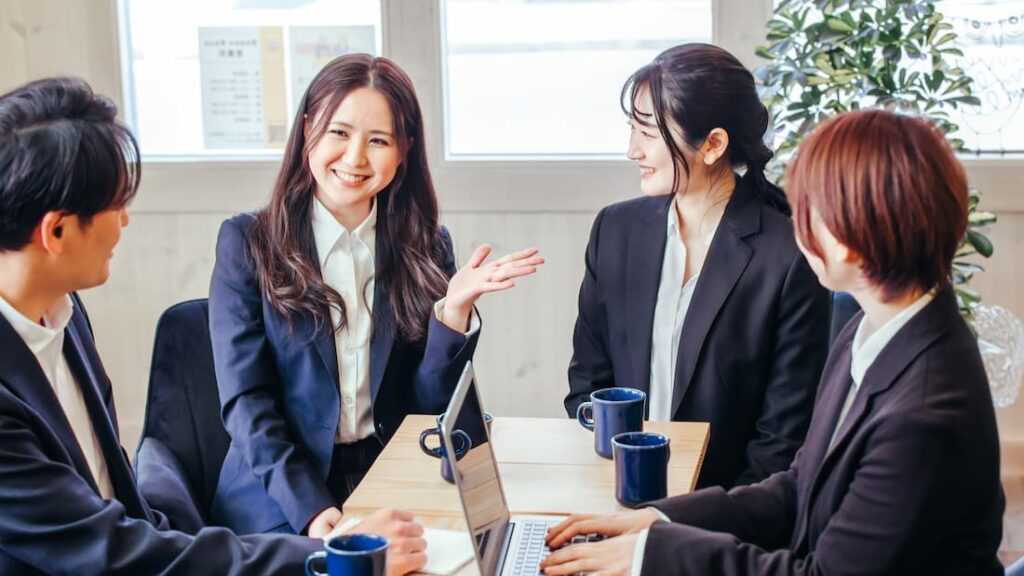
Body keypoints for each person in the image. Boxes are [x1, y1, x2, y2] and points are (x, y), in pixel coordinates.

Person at [542, 109, 1005, 575]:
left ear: (850, 236)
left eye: (809, 212)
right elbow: (801, 483)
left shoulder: (923, 412)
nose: (795, 227)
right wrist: (658, 522)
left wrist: (652, 557)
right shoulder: (872, 331)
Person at [0, 76, 427, 575]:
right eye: (117, 207)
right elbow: (109, 552)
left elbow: (117, 501)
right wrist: (339, 558)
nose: (126, 223)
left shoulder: (63, 314)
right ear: (56, 231)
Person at [208, 53, 544, 538]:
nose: (355, 158)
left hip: (392, 475)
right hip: (280, 492)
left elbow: (431, 407)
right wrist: (312, 511)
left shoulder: (425, 244)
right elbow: (247, 405)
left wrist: (452, 313)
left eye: (378, 140)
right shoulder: (248, 243)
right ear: (307, 132)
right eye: (339, 133)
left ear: (404, 149)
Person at [565, 43, 830, 489]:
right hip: (616, 495)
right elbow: (588, 386)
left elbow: (781, 440)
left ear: (713, 145)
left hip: (728, 519)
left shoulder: (787, 255)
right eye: (632, 129)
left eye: (648, 134)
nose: (633, 150)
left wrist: (695, 525)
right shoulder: (615, 230)